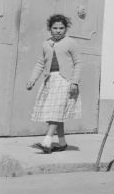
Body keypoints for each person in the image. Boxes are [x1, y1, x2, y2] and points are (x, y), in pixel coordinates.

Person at [26, 14, 82, 153]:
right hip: (50, 80)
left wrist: (74, 82)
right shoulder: (46, 44)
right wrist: (33, 79)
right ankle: (62, 143)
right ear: (50, 29)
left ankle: (47, 141)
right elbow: (40, 63)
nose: (58, 30)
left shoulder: (70, 43)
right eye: (55, 28)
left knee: (56, 111)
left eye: (61, 28)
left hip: (65, 81)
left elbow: (78, 63)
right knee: (56, 113)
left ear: (66, 29)